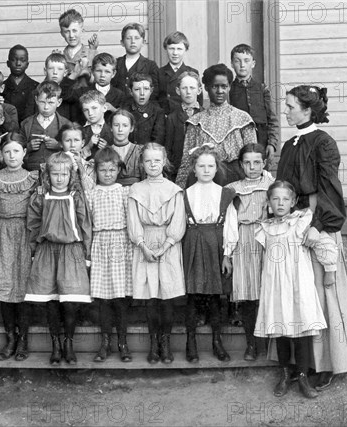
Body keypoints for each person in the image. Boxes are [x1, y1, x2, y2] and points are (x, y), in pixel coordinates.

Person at [277, 84, 347, 390]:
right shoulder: (290, 145)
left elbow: (330, 190)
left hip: (316, 222)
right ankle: (303, 361)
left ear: (307, 110)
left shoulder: (323, 143)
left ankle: (329, 363)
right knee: (300, 291)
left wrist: (319, 225)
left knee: (322, 289)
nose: (285, 111)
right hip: (292, 221)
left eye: (290, 106)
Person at [253, 180, 337, 399]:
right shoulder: (265, 228)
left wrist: (330, 269)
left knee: (302, 330)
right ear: (269, 203)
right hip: (275, 285)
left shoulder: (302, 221)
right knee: (280, 329)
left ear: (292, 202)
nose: (280, 203)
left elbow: (324, 243)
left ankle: (302, 376)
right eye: (275, 199)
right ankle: (284, 374)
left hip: (299, 283)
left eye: (285, 199)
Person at [26, 152, 93, 365]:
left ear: (71, 175)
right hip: (47, 251)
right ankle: (55, 344)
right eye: (55, 174)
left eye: (64, 174)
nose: (60, 178)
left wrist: (87, 253)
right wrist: (33, 250)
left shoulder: (76, 196)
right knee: (51, 301)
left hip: (71, 251)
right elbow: (33, 225)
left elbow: (85, 225)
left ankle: (68, 343)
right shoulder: (41, 196)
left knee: (70, 301)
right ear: (48, 174)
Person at [127, 143, 186, 364]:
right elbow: (133, 223)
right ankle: (153, 343)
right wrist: (143, 247)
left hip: (168, 245)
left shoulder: (174, 190)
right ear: (142, 164)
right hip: (145, 245)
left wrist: (165, 246)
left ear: (164, 162)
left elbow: (178, 223)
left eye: (157, 160)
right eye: (148, 161)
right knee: (151, 297)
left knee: (167, 297)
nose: (153, 164)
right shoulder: (135, 190)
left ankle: (166, 342)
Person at [0, 132, 38, 361]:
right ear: (1, 155)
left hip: (25, 234)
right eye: (7, 152)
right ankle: (10, 339)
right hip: (2, 234)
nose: (12, 155)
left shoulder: (33, 178)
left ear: (24, 153)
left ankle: (23, 339)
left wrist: (35, 241)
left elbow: (37, 210)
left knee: (23, 288)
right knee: (5, 289)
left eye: (16, 151)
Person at [182, 144, 237, 363]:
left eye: (210, 166)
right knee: (193, 295)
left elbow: (231, 225)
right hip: (193, 242)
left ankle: (217, 341)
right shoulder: (185, 194)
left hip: (216, 243)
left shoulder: (224, 194)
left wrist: (227, 255)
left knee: (215, 295)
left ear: (217, 169)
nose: (206, 170)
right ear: (194, 169)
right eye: (201, 166)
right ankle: (191, 342)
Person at [223, 143, 274, 361]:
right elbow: (229, 223)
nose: (252, 167)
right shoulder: (233, 188)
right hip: (242, 240)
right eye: (247, 162)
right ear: (241, 164)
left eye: (257, 162)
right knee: (247, 294)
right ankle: (251, 344)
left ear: (264, 163)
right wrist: (227, 253)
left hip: (267, 240)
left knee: (269, 291)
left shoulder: (272, 185)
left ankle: (271, 344)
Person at [86, 148, 134, 363]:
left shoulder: (125, 191)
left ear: (118, 170)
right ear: (96, 171)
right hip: (100, 243)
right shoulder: (91, 192)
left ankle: (123, 342)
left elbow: (131, 221)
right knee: (103, 298)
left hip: (120, 243)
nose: (107, 174)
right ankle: (105, 341)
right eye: (103, 170)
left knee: (120, 297)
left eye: (112, 169)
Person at [176, 64, 257, 189]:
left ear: (229, 87)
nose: (220, 91)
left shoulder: (243, 119)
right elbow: (187, 161)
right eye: (215, 86)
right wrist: (180, 190)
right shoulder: (196, 122)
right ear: (207, 88)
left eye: (224, 86)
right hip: (205, 179)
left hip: (237, 180)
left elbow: (252, 157)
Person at [229, 44, 279, 164]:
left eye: (246, 61)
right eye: (237, 61)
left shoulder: (262, 89)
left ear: (253, 63)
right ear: (231, 64)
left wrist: (272, 143)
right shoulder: (229, 89)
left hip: (261, 142)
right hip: (237, 143)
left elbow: (272, 119)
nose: (242, 65)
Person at [21, 81, 72, 172]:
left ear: (59, 102)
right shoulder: (26, 124)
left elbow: (73, 150)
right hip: (31, 172)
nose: (46, 107)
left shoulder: (66, 124)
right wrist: (28, 147)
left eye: (51, 102)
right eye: (42, 102)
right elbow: (17, 148)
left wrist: (59, 146)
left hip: (57, 172)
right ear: (36, 100)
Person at [165, 71, 203, 181]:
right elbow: (168, 147)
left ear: (199, 90)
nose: (188, 92)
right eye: (184, 88)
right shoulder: (172, 118)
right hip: (178, 169)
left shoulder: (205, 115)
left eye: (192, 88)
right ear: (178, 90)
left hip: (200, 169)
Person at [157, 31, 203, 115]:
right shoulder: (159, 72)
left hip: (185, 116)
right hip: (165, 117)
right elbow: (155, 100)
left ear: (185, 50)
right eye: (171, 48)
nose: (175, 53)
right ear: (166, 49)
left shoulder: (192, 72)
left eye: (179, 49)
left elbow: (199, 101)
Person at [113, 23, 160, 103]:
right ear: (122, 42)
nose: (133, 42)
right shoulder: (115, 64)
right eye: (128, 38)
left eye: (137, 38)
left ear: (143, 42)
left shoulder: (150, 66)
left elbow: (154, 91)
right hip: (118, 108)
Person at [58, 9, 99, 88]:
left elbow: (98, 81)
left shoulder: (91, 53)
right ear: (62, 33)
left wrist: (87, 73)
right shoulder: (61, 56)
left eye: (74, 31)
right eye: (67, 31)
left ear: (82, 31)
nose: (71, 35)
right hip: (65, 98)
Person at [125, 73, 165, 145]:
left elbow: (158, 140)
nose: (142, 93)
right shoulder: (125, 111)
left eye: (146, 89)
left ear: (151, 90)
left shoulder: (158, 113)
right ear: (131, 91)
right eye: (137, 89)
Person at [2, 44, 39, 123]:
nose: (18, 63)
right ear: (8, 63)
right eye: (14, 59)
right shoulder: (1, 88)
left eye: (22, 60)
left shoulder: (36, 87)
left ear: (27, 64)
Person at [58, 123, 96, 192]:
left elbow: (90, 189)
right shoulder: (54, 164)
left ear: (83, 143)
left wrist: (79, 164)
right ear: (61, 144)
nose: (72, 145)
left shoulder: (89, 166)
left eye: (76, 140)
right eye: (68, 140)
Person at [110, 109, 143, 186]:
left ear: (131, 128)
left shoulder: (139, 151)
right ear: (111, 128)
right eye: (116, 125)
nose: (120, 129)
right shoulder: (106, 152)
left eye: (125, 125)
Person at [89, 52, 127, 116]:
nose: (102, 75)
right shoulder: (84, 92)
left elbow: (125, 117)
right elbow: (66, 94)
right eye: (98, 71)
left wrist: (113, 109)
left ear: (113, 73)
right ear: (92, 71)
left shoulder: (120, 95)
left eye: (107, 72)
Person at [79, 90, 112, 160]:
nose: (90, 113)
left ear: (104, 108)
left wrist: (108, 149)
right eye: (86, 110)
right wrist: (88, 146)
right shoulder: (79, 132)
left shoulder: (112, 130)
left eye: (94, 108)